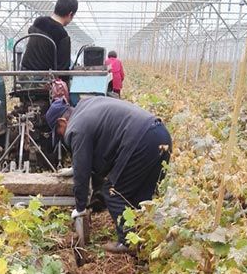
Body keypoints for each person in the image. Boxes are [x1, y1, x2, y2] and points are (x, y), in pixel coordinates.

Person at [46, 97, 172, 254]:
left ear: (62, 122)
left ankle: (127, 243)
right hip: (160, 135)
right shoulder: (85, 105)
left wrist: (80, 207)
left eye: (58, 133)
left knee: (113, 193)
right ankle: (145, 245)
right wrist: (76, 165)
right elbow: (95, 154)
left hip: (141, 140)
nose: (61, 137)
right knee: (142, 199)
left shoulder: (75, 128)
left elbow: (82, 173)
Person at [21, 0, 78, 71]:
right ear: (70, 14)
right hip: (44, 80)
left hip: (24, 75)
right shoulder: (62, 35)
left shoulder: (38, 22)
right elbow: (63, 69)